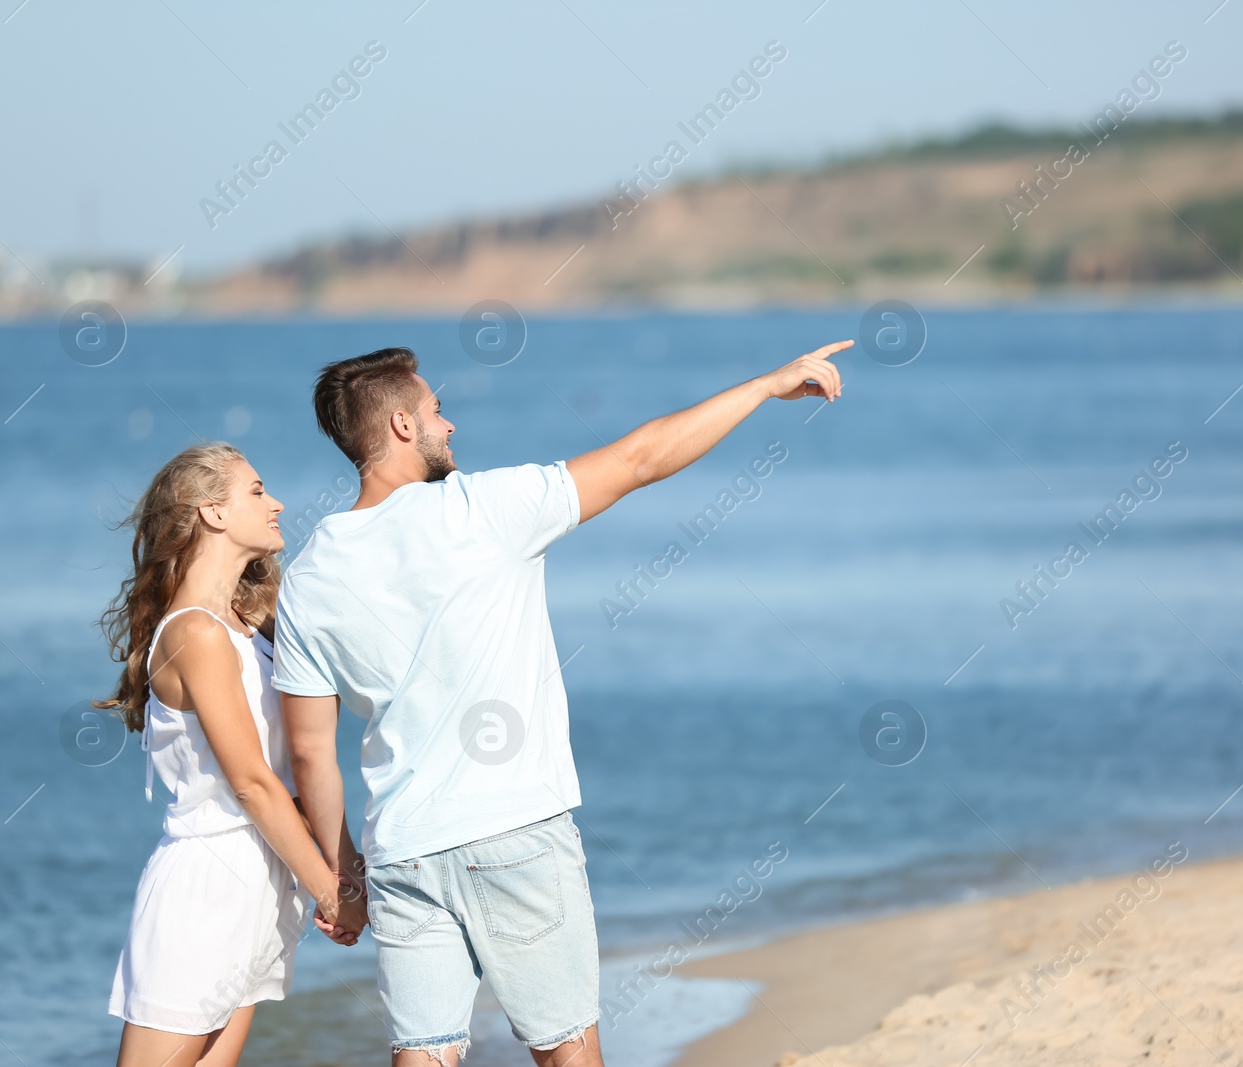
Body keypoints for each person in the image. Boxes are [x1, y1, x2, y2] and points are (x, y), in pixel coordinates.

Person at [276, 340, 849, 1066]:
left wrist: (341, 877)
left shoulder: (309, 572)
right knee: (568, 1053)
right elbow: (642, 457)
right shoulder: (485, 506)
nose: (450, 427)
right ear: (399, 427)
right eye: (437, 411)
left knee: (422, 1056)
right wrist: (765, 387)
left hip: (404, 851)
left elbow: (307, 752)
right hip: (514, 827)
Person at [99, 443, 367, 1067]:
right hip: (207, 883)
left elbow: (295, 767)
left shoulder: (250, 625)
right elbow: (250, 782)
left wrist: (342, 870)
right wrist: (331, 891)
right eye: (256, 491)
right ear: (212, 513)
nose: (276, 504)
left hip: (262, 880)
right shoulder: (194, 632)